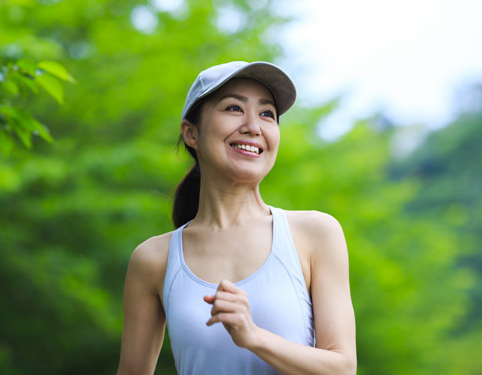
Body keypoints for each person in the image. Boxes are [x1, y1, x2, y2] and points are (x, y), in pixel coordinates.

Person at [117, 61, 356, 375]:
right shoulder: (153, 259)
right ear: (191, 133)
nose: (254, 127)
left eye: (267, 114)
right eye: (233, 108)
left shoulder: (315, 233)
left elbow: (342, 368)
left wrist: (254, 337)